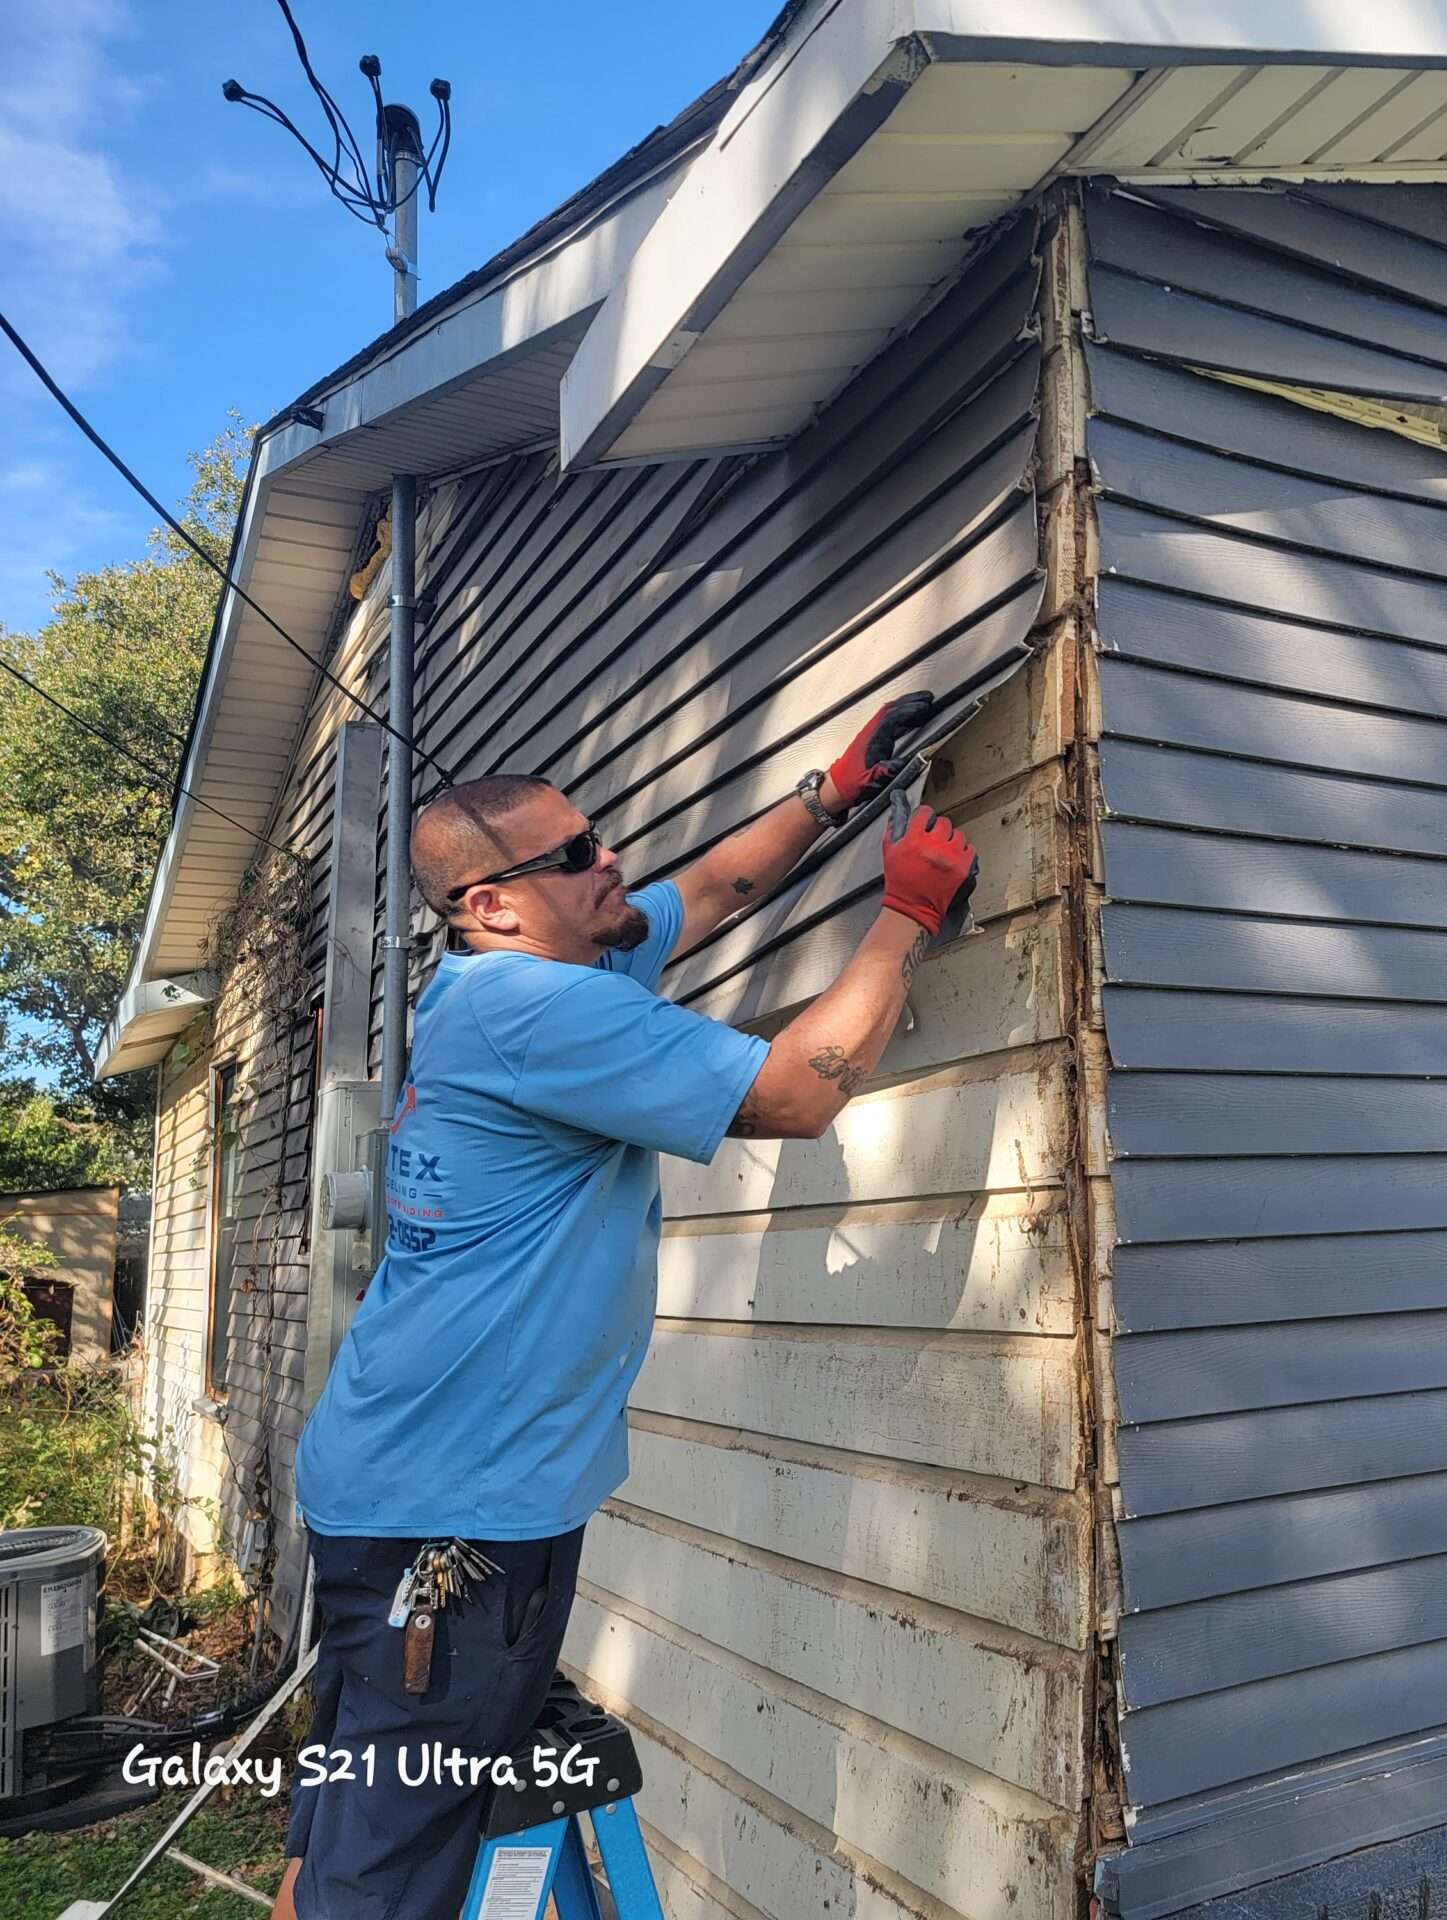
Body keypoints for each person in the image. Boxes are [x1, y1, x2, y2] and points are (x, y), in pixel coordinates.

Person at [267, 695, 978, 1920]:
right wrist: (904, 915)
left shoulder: (499, 977)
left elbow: (704, 893)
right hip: (457, 1534)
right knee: (385, 1887)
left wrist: (833, 790)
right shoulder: (544, 1011)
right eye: (578, 857)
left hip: (384, 1491)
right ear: (491, 905)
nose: (612, 866)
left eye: (598, 838)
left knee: (348, 1828)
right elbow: (795, 1097)